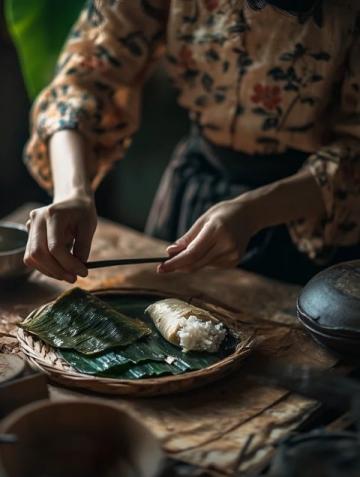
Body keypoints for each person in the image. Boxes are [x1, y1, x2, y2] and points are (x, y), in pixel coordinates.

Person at [24, 0, 360, 285]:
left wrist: (255, 211)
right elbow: (84, 80)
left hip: (315, 222)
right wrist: (73, 192)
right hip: (193, 191)